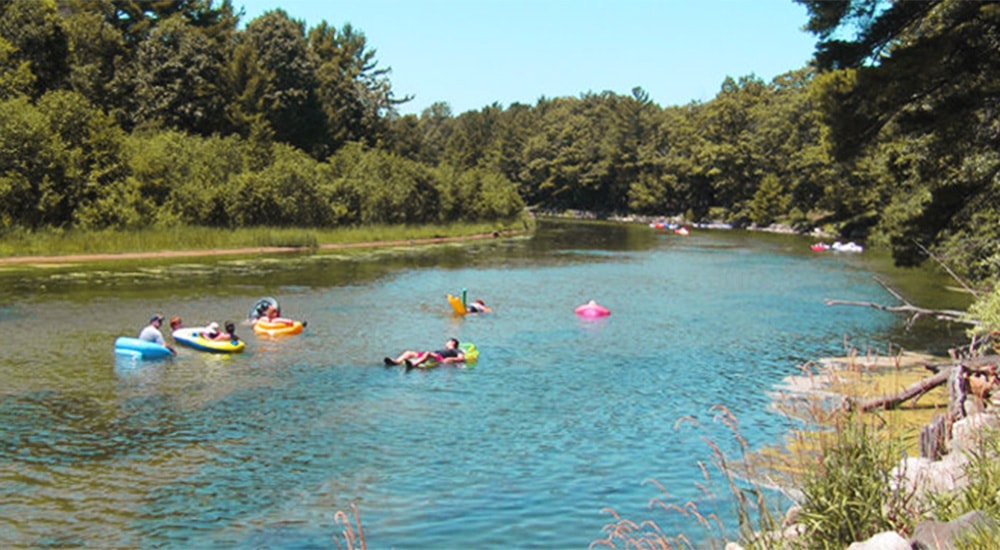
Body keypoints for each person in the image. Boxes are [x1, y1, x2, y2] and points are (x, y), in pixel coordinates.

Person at [384, 338, 465, 368]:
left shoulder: (456, 350)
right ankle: (396, 362)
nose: (446, 343)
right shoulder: (443, 349)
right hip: (431, 354)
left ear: (452, 342)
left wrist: (449, 359)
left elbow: (461, 358)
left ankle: (414, 364)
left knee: (427, 353)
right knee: (408, 352)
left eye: (447, 342)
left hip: (438, 357)